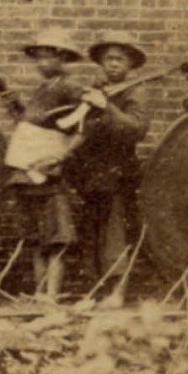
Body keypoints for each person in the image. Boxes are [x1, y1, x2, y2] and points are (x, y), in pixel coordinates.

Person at [2, 29, 95, 303]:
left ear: (62, 58)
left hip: (50, 176)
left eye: (48, 58)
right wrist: (16, 108)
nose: (42, 64)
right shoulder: (44, 89)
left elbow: (88, 123)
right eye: (38, 59)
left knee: (56, 238)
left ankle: (52, 294)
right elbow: (39, 122)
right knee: (37, 238)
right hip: (28, 171)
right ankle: (39, 292)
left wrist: (62, 155)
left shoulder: (70, 86)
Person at [65, 31, 149, 301]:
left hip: (118, 175)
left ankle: (118, 294)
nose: (113, 64)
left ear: (130, 66)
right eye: (109, 59)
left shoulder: (137, 91)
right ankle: (97, 292)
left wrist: (107, 107)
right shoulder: (97, 90)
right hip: (92, 176)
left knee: (115, 235)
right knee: (93, 235)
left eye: (120, 60)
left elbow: (136, 129)